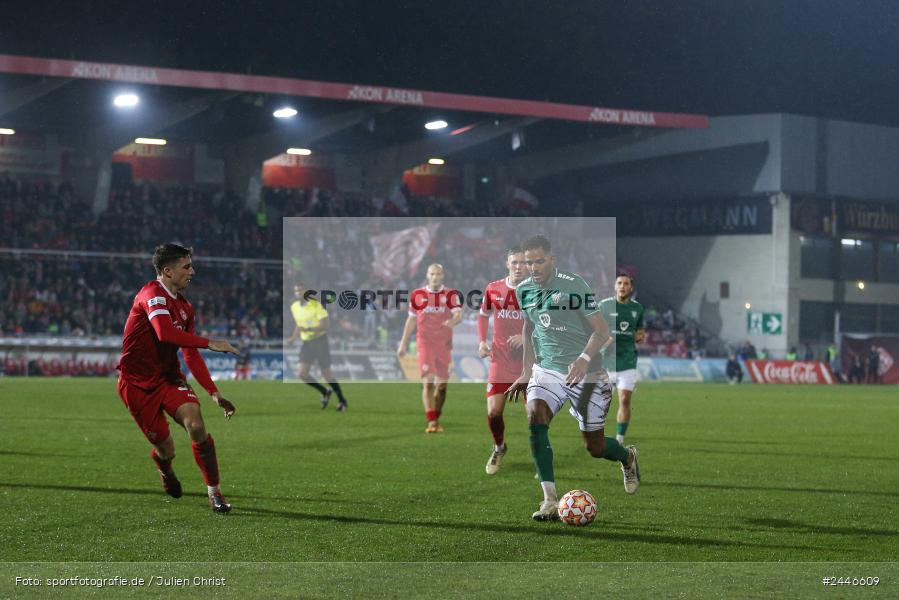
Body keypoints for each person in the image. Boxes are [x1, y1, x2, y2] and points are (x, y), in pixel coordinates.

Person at [505, 235, 639, 521]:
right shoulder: (524, 290)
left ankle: (627, 457)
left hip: (586, 374)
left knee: (595, 446)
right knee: (535, 418)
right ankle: (549, 500)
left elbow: (602, 331)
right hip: (548, 369)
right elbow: (529, 328)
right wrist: (527, 372)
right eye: (529, 262)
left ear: (552, 259)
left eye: (539, 261)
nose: (533, 267)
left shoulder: (574, 285)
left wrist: (583, 359)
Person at [117, 243, 239, 514]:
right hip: (136, 383)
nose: (192, 272)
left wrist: (213, 392)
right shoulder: (152, 295)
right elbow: (164, 333)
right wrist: (211, 342)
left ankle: (214, 492)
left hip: (168, 379)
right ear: (167, 270)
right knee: (166, 448)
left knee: (196, 425)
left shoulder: (185, 308)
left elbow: (190, 354)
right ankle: (166, 469)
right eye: (187, 267)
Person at [477, 246, 527, 474]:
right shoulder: (494, 288)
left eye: (522, 262)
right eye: (514, 262)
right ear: (507, 264)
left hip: (529, 362)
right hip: (500, 359)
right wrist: (482, 341)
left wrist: (526, 336)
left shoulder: (536, 291)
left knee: (535, 416)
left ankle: (539, 456)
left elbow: (547, 323)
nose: (518, 266)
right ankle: (499, 447)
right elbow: (483, 315)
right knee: (493, 413)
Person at [397, 263, 463, 433]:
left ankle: (436, 414)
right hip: (425, 343)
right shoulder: (418, 295)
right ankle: (432, 421)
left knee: (442, 386)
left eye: (438, 274)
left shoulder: (450, 295)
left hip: (444, 345)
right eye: (432, 274)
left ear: (443, 276)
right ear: (427, 275)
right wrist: (403, 343)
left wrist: (453, 321)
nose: (435, 277)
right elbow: (411, 320)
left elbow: (458, 314)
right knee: (428, 382)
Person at [598, 273, 645, 445]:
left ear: (631, 288)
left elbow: (640, 330)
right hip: (606, 361)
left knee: (625, 400)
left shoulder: (638, 309)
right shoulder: (604, 306)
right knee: (601, 402)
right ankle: (596, 433)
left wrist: (640, 335)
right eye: (619, 283)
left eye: (626, 283)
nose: (622, 286)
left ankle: (619, 438)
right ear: (615, 286)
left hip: (628, 361)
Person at [287, 283, 348, 411]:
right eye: (296, 290)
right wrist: (293, 337)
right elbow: (298, 324)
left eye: (300, 290)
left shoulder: (317, 305)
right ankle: (325, 391)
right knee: (302, 374)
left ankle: (342, 400)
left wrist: (308, 328)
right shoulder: (294, 307)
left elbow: (325, 325)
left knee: (327, 375)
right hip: (307, 343)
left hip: (320, 342)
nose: (298, 292)